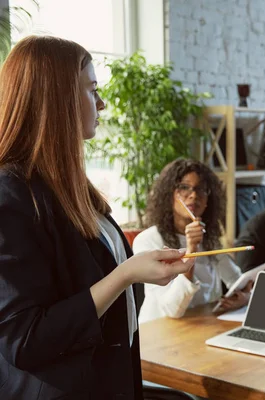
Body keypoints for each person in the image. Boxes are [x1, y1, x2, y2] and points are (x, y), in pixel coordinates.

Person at [0, 36, 191, 399]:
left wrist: (139, 270)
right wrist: (127, 274)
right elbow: (24, 340)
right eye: (92, 90)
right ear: (57, 100)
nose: (102, 103)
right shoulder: (10, 195)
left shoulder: (73, 188)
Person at [133, 159, 250, 322]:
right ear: (170, 194)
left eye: (201, 189)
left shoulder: (209, 238)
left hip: (201, 325)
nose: (194, 195)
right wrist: (191, 249)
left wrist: (244, 296)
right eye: (184, 187)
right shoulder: (149, 240)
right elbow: (172, 309)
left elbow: (237, 281)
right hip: (160, 332)